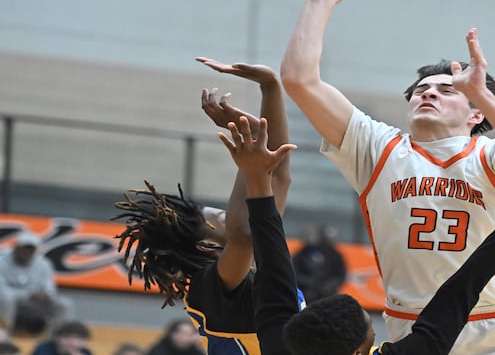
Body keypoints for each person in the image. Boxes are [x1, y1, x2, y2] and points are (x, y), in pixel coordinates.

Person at [279, 0, 495, 354]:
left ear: (477, 112)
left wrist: (483, 94)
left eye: (448, 90)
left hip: (493, 330)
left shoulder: (490, 155)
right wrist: (319, 2)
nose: (428, 92)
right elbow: (300, 81)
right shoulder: (377, 147)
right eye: (421, 89)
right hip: (410, 325)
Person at [215, 116, 495, 355]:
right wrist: (256, 177)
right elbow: (461, 290)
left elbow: (274, 269)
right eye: (369, 328)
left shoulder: (287, 343)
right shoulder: (279, 343)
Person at [114, 61, 303, 355]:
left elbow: (277, 174)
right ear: (205, 246)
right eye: (220, 216)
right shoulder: (206, 288)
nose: (231, 214)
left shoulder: (248, 265)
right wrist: (250, 154)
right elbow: (243, 233)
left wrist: (271, 88)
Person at [0, 232, 73, 335]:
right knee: (6, 300)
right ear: (16, 247)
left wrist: (46, 294)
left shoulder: (43, 264)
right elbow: (2, 291)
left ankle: (56, 339)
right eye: (24, 248)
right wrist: (28, 295)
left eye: (30, 249)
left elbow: (49, 287)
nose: (26, 252)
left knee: (64, 304)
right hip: (8, 301)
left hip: (34, 302)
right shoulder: (2, 260)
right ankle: (4, 335)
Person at [292, 224, 347, 303]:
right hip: (307, 294)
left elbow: (341, 275)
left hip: (328, 295)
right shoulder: (301, 254)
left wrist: (331, 284)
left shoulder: (335, 256)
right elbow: (295, 274)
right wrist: (310, 283)